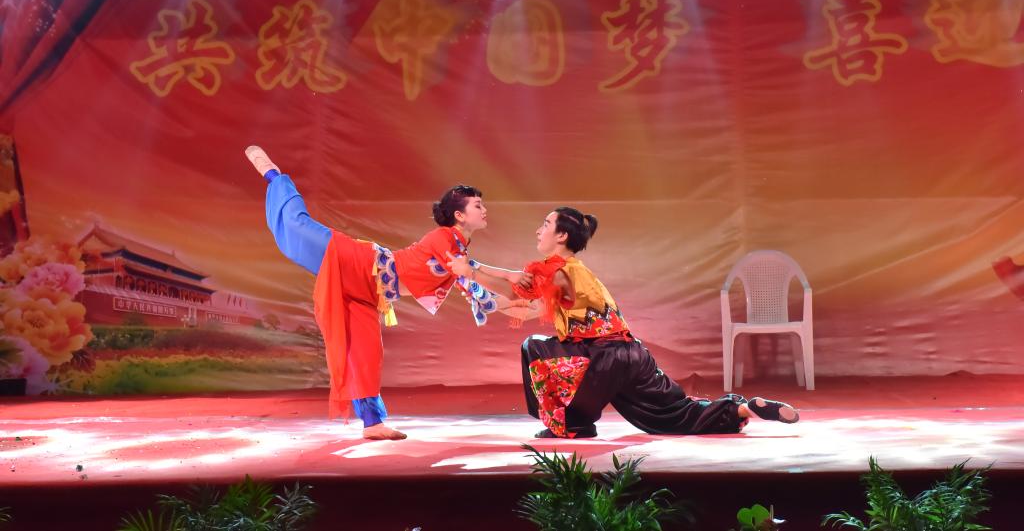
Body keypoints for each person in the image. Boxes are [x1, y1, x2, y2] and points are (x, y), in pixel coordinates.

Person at [244, 145, 520, 439]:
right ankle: (275, 177)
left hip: (369, 292)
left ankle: (372, 423)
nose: (484, 209)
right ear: (459, 215)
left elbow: (472, 272)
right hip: (358, 263)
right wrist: (508, 296)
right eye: (478, 205)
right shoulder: (444, 238)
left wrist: (512, 285)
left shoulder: (459, 249)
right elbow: (467, 276)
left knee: (366, 354)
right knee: (296, 226)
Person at [453, 207, 800, 439]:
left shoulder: (558, 270)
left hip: (603, 360)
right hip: (633, 355)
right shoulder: (573, 274)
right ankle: (742, 408)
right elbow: (522, 309)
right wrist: (477, 294)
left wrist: (471, 269)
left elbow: (517, 285)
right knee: (673, 414)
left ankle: (573, 424)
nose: (538, 230)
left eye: (545, 224)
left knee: (535, 348)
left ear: (561, 236)